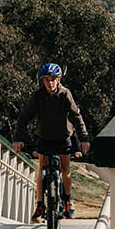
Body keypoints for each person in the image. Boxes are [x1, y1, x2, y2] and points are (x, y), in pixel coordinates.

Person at [13, 62, 91, 220]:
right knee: (42, 169)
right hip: (45, 138)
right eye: (47, 80)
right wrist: (18, 138)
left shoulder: (65, 94)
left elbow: (76, 116)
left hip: (63, 138)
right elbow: (25, 117)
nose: (50, 83)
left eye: (53, 79)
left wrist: (83, 138)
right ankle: (40, 204)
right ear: (42, 81)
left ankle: (68, 200)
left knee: (65, 169)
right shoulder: (38, 96)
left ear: (59, 79)